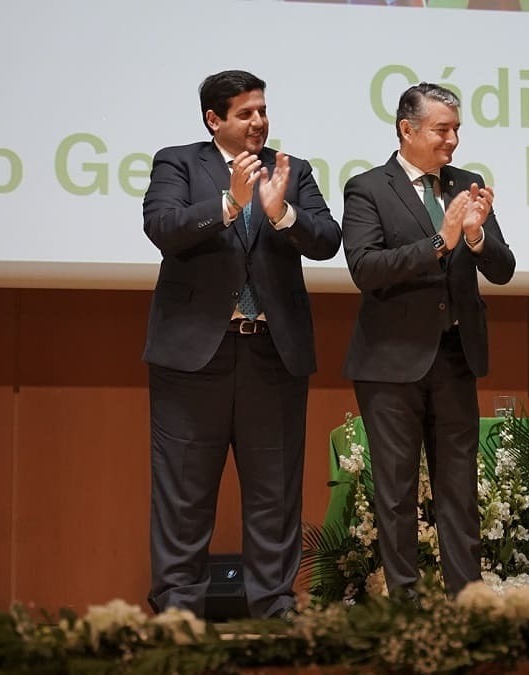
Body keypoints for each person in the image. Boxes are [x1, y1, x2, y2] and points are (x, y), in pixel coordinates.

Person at [142, 69, 342, 620]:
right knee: (183, 493)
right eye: (245, 113)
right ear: (214, 120)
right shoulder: (178, 163)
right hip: (193, 358)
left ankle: (274, 608)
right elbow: (163, 227)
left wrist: (282, 212)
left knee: (274, 493)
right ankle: (178, 612)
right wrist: (230, 203)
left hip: (271, 355)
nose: (259, 121)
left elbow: (328, 240)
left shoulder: (292, 170)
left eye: (263, 110)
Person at [341, 83, 515, 600]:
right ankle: (405, 602)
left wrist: (477, 236)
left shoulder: (467, 184)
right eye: (442, 129)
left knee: (458, 490)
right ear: (407, 129)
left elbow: (503, 269)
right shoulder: (368, 188)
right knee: (396, 493)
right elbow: (366, 268)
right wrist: (441, 241)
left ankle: (467, 598)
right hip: (390, 364)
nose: (452, 140)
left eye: (456, 129)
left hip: (456, 357)